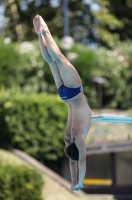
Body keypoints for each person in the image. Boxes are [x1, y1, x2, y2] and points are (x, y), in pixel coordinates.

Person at [33, 14, 92, 191]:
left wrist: (79, 182)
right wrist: (73, 182)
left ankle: (45, 30)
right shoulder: (68, 139)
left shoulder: (79, 137)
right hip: (64, 96)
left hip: (75, 93)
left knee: (60, 59)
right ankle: (39, 35)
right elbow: (73, 160)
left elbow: (81, 162)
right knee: (51, 62)